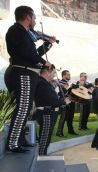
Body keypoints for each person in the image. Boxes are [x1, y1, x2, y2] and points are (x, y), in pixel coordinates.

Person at [5, 6, 54, 153]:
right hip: (23, 73)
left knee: (26, 109)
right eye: (34, 17)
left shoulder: (24, 33)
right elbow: (28, 54)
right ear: (27, 17)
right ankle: (13, 143)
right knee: (23, 108)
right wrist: (45, 63)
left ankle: (19, 139)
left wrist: (48, 44)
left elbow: (34, 53)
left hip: (28, 73)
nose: (35, 20)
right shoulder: (17, 31)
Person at [34, 65, 70, 155]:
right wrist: (64, 101)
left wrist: (55, 84)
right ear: (47, 72)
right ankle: (41, 157)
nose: (54, 76)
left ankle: (43, 155)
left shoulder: (45, 83)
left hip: (48, 113)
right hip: (46, 114)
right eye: (54, 73)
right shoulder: (42, 83)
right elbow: (52, 101)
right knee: (44, 138)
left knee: (46, 138)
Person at [56, 70, 78, 137]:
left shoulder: (69, 82)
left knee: (71, 117)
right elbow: (67, 88)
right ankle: (59, 132)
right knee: (63, 116)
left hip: (72, 101)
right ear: (64, 75)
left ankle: (70, 130)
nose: (69, 76)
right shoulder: (60, 82)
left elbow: (76, 86)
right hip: (64, 101)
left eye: (69, 74)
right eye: (68, 74)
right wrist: (70, 86)